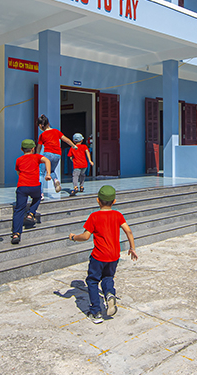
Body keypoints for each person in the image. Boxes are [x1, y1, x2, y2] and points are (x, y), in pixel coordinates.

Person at [68, 185, 138, 323]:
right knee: (108, 277)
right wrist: (132, 248)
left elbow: (86, 236)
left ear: (98, 200)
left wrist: (74, 237)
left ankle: (95, 312)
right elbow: (128, 231)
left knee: (92, 281)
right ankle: (110, 293)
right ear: (114, 201)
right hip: (114, 256)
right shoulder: (118, 215)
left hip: (98, 256)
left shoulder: (94, 216)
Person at [10, 139, 52, 245]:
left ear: (21, 149)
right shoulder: (37, 157)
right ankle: (31, 213)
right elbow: (47, 160)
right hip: (34, 186)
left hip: (22, 187)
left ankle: (16, 234)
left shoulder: (18, 160)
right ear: (33, 149)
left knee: (19, 210)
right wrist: (48, 174)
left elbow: (18, 172)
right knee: (38, 197)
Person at [36, 114, 77, 194]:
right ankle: (55, 180)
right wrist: (73, 145)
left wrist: (37, 155)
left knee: (41, 173)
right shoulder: (56, 131)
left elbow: (39, 147)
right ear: (48, 123)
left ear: (41, 126)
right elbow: (66, 140)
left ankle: (40, 194)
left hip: (47, 154)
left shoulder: (42, 135)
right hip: (57, 155)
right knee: (51, 170)